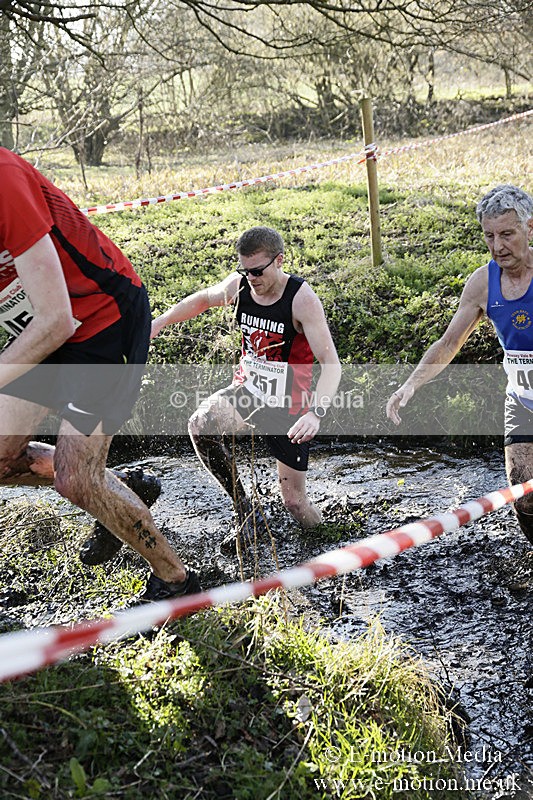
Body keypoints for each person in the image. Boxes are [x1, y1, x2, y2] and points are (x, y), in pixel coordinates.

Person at [0, 147, 200, 602]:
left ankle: (176, 582)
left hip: (101, 323)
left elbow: (59, 320)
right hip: (35, 330)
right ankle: (123, 488)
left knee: (76, 480)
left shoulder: (3, 179)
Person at [124, 224, 338, 555]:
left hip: (289, 407)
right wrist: (157, 324)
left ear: (279, 261)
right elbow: (203, 300)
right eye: (245, 270)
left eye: (258, 271)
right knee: (200, 424)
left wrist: (316, 413)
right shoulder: (240, 287)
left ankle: (332, 546)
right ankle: (247, 510)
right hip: (248, 392)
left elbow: (331, 364)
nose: (251, 278)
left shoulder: (302, 300)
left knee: (295, 504)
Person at [386, 184, 533, 549]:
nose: (498, 246)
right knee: (523, 489)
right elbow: (449, 343)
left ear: (530, 228)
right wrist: (411, 384)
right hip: (523, 400)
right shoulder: (483, 283)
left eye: (507, 234)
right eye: (489, 235)